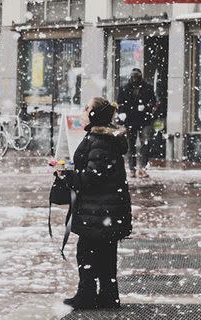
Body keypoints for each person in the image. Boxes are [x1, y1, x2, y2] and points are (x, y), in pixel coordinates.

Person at [62, 97, 131, 310]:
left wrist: (68, 176)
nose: (83, 111)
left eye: (87, 108)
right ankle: (108, 295)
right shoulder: (103, 137)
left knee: (87, 251)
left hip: (99, 209)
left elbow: (93, 177)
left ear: (94, 114)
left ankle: (88, 295)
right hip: (106, 208)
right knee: (105, 252)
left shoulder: (100, 140)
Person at [117, 68, 158, 178]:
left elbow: (153, 102)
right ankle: (132, 169)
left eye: (137, 77)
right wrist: (122, 113)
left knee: (145, 143)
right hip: (130, 120)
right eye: (133, 76)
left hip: (144, 120)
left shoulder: (147, 88)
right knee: (131, 145)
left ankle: (142, 168)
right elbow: (119, 103)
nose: (135, 79)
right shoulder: (124, 88)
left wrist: (146, 107)